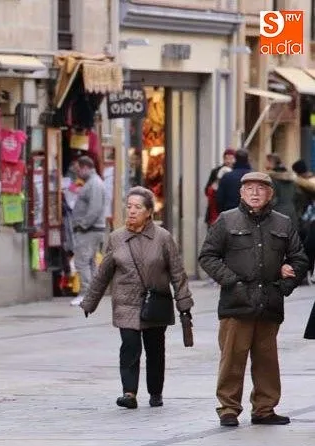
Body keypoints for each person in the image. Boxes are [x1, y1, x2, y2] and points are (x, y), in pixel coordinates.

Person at [199, 171, 308, 427]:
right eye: (250, 188)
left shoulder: (282, 223)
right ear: (241, 193)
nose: (255, 193)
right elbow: (208, 256)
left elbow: (300, 258)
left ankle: (264, 408)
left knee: (267, 361)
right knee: (232, 360)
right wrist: (231, 281)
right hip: (236, 304)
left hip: (269, 303)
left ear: (270, 194)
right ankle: (228, 408)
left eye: (261, 188)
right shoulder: (227, 221)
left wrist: (285, 285)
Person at [80, 187, 193, 409]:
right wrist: (90, 301)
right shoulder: (116, 238)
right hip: (126, 302)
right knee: (130, 346)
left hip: (155, 302)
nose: (131, 211)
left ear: (149, 211)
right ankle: (129, 393)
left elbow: (177, 272)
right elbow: (104, 273)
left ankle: (155, 392)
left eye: (137, 207)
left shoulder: (163, 238)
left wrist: (184, 303)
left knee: (155, 350)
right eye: (129, 206)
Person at [69, 155, 108, 307]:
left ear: (85, 168)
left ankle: (85, 293)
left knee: (82, 261)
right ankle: (92, 293)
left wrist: (83, 225)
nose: (77, 173)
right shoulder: (92, 183)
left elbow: (95, 209)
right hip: (91, 229)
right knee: (89, 261)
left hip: (90, 230)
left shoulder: (94, 184)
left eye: (78, 169)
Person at [204, 148, 235, 227]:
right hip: (215, 210)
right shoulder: (216, 171)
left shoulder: (235, 172)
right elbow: (207, 189)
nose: (228, 161)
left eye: (231, 158)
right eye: (226, 158)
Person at [215, 148, 251, 214]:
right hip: (249, 215)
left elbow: (219, 199)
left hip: (229, 213)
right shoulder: (253, 177)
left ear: (235, 159)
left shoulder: (227, 176)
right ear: (248, 159)